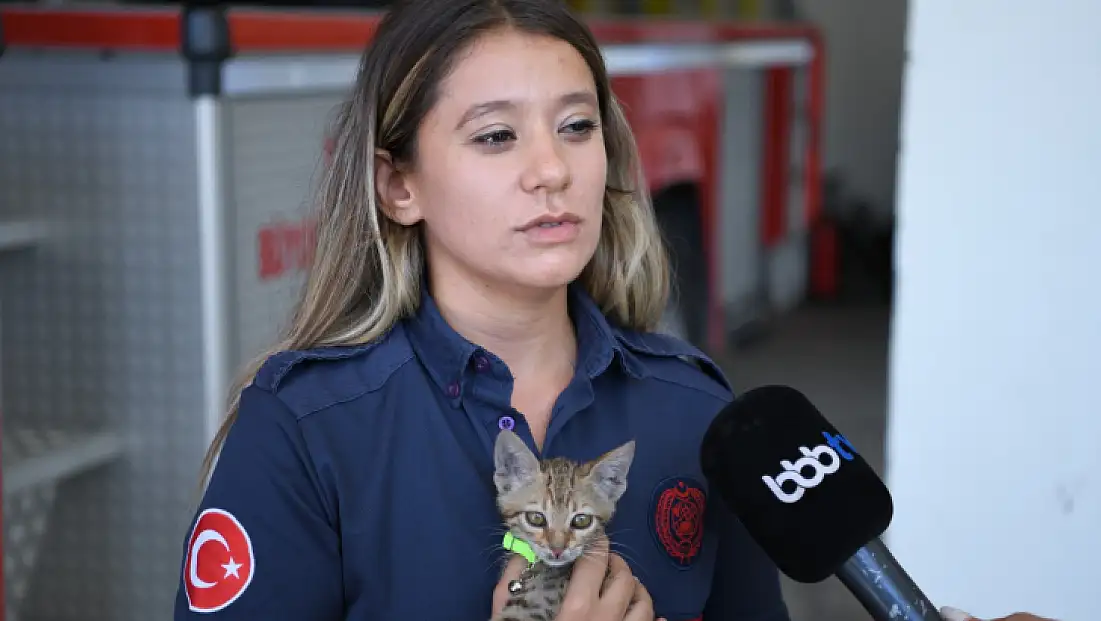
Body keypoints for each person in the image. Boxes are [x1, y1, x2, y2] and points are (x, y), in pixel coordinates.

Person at [173, 0, 789, 619]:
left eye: (577, 126)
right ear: (398, 187)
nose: (552, 170)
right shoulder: (305, 428)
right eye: (496, 136)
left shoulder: (696, 408)